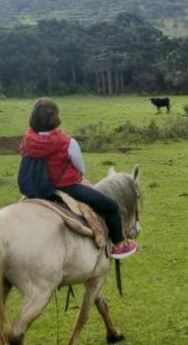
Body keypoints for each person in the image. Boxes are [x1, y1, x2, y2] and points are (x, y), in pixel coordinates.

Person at [20, 98, 138, 259]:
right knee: (111, 206)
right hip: (67, 187)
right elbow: (81, 168)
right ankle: (118, 245)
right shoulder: (68, 142)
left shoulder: (28, 140)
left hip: (37, 188)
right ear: (56, 118)